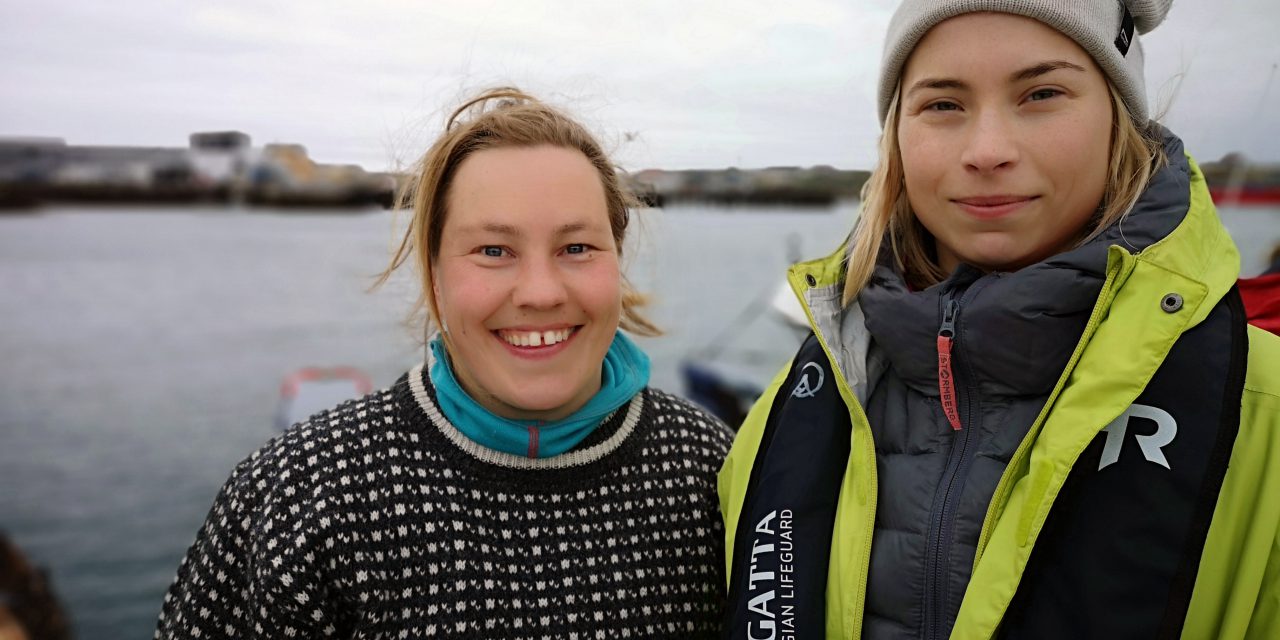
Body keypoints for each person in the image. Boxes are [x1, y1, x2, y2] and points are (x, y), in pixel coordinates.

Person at [719, 1, 1280, 638]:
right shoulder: (783, 416)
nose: (987, 151)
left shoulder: (1262, 415)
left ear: (1120, 120)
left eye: (1041, 93)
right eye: (943, 104)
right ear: (897, 135)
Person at [156, 88, 733, 638]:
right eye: (493, 251)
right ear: (433, 273)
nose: (540, 292)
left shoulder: (713, 471)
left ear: (618, 259)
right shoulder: (301, 497)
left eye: (576, 248)